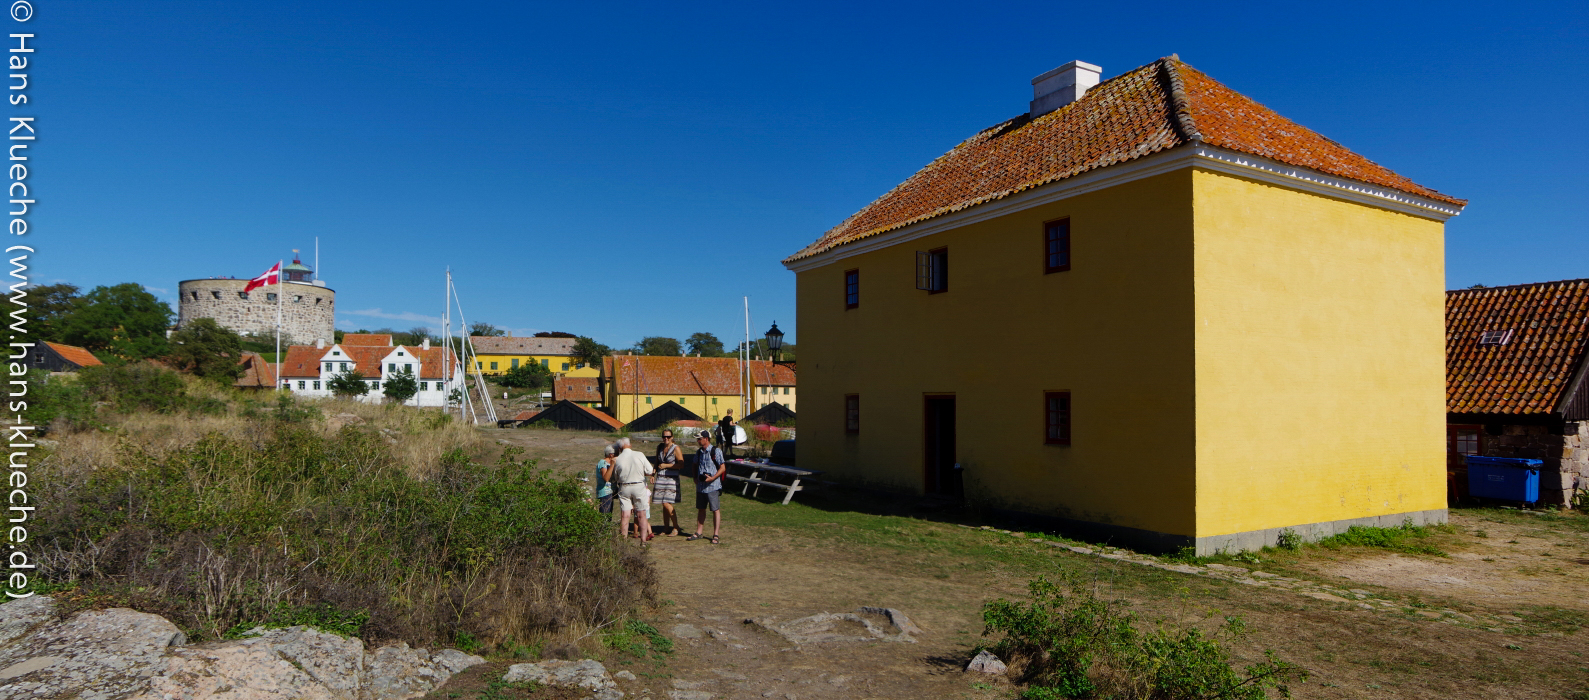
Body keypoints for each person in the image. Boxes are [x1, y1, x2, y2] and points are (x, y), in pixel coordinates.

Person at [687, 430, 726, 544]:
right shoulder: (699, 452)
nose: (698, 441)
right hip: (701, 486)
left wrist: (713, 478)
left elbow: (722, 468)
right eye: (697, 439)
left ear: (706, 438)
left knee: (715, 510)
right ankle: (699, 532)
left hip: (713, 486)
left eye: (700, 439)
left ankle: (716, 534)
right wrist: (695, 477)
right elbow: (694, 464)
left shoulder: (716, 451)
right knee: (701, 509)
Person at [611, 437, 654, 542]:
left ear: (620, 447)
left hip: (624, 486)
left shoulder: (618, 459)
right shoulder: (639, 454)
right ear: (629, 444)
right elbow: (650, 470)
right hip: (638, 485)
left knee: (625, 515)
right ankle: (643, 541)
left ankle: (624, 540)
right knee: (641, 514)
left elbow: (616, 477)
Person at [652, 429, 685, 536]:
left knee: (666, 503)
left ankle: (676, 527)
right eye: (664, 437)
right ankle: (666, 527)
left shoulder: (676, 448)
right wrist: (653, 473)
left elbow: (681, 465)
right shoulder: (659, 447)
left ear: (672, 437)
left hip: (671, 478)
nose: (666, 439)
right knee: (663, 503)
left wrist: (666, 465)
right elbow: (657, 462)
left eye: (668, 437)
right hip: (661, 477)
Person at [593, 445, 617, 518]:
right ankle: (603, 529)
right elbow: (606, 478)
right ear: (611, 455)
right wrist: (612, 465)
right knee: (605, 515)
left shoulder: (608, 464)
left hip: (610, 492)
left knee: (609, 515)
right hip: (604, 493)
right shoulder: (602, 463)